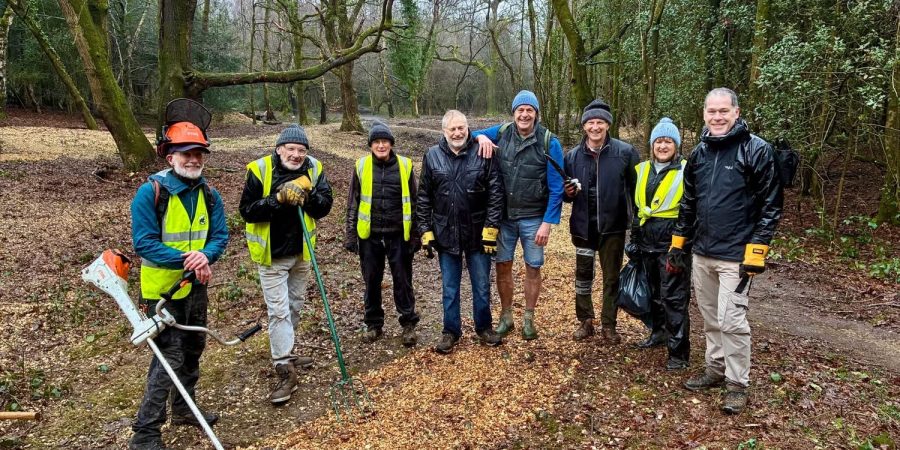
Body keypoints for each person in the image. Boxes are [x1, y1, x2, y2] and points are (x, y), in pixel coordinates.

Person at [670, 88, 783, 414]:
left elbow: (771, 204)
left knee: (732, 320)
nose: (717, 117)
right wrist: (678, 243)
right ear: (704, 114)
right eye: (712, 111)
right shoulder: (699, 154)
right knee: (710, 317)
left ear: (736, 112)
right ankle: (715, 368)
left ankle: (737, 384)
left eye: (723, 111)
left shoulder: (757, 150)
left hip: (737, 255)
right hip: (703, 251)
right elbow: (688, 202)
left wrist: (757, 249)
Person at [129, 120, 229, 450]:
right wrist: (191, 260)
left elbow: (219, 236)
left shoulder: (209, 195)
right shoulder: (150, 193)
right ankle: (146, 432)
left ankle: (185, 409)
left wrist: (206, 256)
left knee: (193, 348)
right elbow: (144, 243)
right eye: (185, 153)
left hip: (195, 288)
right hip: (161, 291)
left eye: (198, 153)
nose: (193, 159)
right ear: (170, 157)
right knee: (168, 356)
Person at [239, 124, 333, 405]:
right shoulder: (259, 170)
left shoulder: (314, 168)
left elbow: (325, 206)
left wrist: (308, 197)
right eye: (290, 149)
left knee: (294, 305)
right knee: (278, 311)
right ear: (279, 149)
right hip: (272, 255)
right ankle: (284, 368)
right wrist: (277, 199)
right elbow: (247, 211)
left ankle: (287, 351)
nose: (296, 155)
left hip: (301, 253)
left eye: (301, 150)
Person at [473, 90, 565, 340]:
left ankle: (528, 319)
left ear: (536, 114)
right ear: (513, 113)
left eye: (529, 110)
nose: (524, 114)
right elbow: (469, 134)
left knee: (533, 267)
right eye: (520, 110)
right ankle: (506, 316)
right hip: (504, 218)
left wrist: (547, 223)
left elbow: (557, 186)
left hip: (534, 217)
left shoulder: (549, 142)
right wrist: (481, 137)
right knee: (503, 265)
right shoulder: (502, 133)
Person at [418, 110, 505, 353]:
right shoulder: (432, 156)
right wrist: (425, 230)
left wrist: (491, 228)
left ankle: (484, 327)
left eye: (461, 128)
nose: (457, 133)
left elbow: (496, 194)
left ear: (468, 128)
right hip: (446, 232)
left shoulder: (483, 152)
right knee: (450, 288)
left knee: (482, 286)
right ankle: (450, 331)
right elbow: (424, 196)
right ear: (444, 131)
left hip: (478, 233)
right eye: (452, 129)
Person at [562, 99, 640, 344]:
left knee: (611, 277)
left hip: (613, 227)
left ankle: (609, 324)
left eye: (600, 122)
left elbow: (636, 191)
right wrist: (568, 193)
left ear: (608, 125)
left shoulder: (625, 153)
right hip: (583, 227)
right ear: (584, 126)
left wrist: (637, 222)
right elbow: (565, 194)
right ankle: (585, 320)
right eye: (590, 123)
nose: (595, 127)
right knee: (583, 276)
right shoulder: (572, 156)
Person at [344, 120, 420, 346]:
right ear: (370, 145)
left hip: (398, 234)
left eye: (385, 141)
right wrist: (350, 234)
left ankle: (408, 323)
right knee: (371, 281)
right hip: (370, 236)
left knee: (403, 281)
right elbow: (353, 202)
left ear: (391, 144)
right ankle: (373, 324)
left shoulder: (405, 165)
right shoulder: (361, 166)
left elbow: (415, 202)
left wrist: (416, 234)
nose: (381, 145)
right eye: (376, 141)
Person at [630, 117, 691, 370]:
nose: (663, 146)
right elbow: (637, 209)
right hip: (647, 241)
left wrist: (680, 246)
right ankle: (658, 333)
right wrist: (634, 239)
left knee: (674, 298)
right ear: (652, 144)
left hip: (672, 243)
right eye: (658, 141)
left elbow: (689, 211)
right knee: (653, 294)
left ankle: (678, 354)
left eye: (668, 141)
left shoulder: (686, 170)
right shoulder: (642, 169)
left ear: (676, 145)